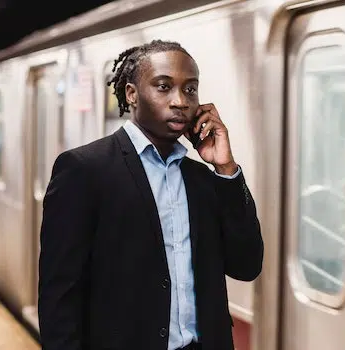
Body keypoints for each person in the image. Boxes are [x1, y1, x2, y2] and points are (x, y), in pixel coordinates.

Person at [37, 39, 264, 350]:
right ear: (131, 94)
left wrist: (226, 170)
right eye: (163, 87)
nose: (180, 101)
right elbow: (59, 294)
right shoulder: (85, 170)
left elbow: (247, 264)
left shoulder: (201, 179)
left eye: (190, 89)